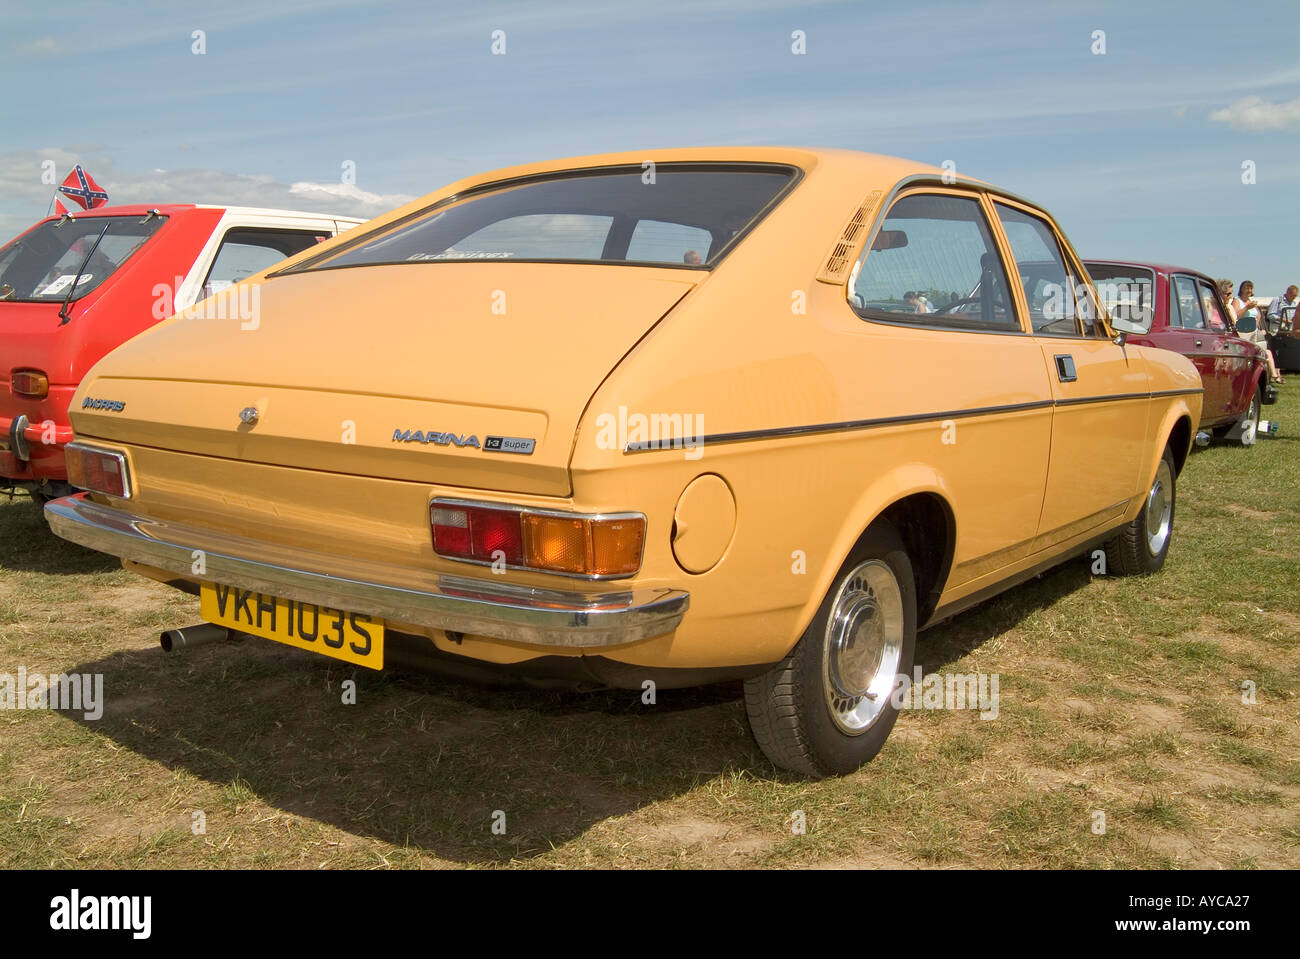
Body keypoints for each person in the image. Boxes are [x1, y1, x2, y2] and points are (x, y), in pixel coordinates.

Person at [1232, 280, 1282, 385]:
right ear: (1241, 289)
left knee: (1264, 352)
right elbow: (1235, 316)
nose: (1249, 290)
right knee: (1248, 355)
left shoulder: (1252, 301)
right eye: (1247, 288)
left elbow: (1258, 316)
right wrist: (1246, 308)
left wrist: (1258, 327)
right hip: (1242, 331)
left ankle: (1272, 376)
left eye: (1251, 288)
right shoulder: (1237, 301)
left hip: (1254, 331)